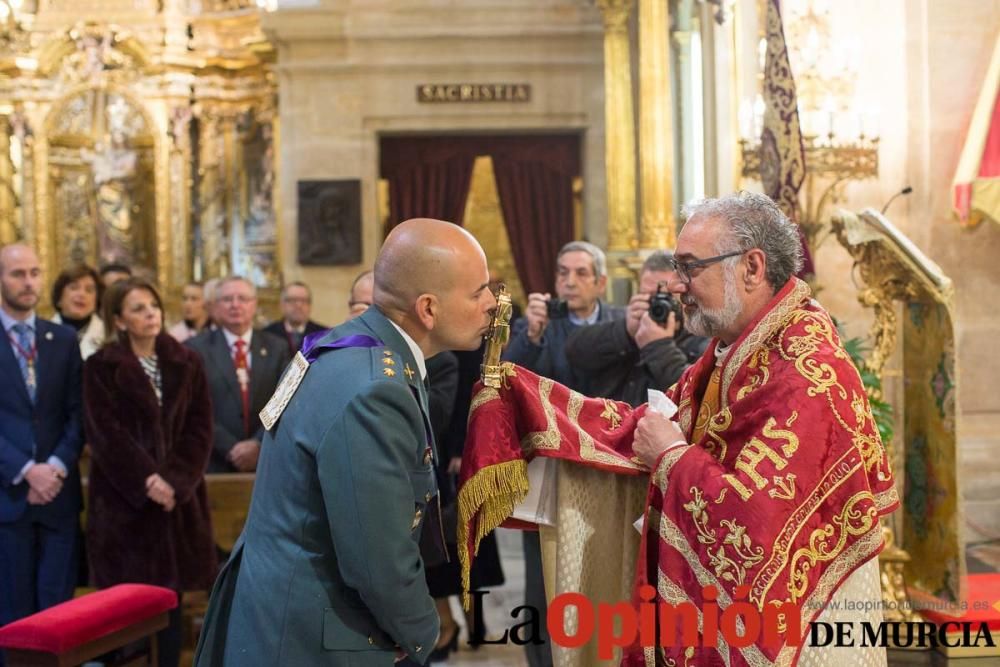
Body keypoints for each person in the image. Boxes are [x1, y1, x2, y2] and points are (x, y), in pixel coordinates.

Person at [194, 218, 496, 667]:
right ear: (428, 309)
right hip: (310, 634)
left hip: (282, 606)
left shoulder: (341, 346)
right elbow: (378, 561)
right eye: (478, 291)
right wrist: (423, 630)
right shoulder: (377, 388)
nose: (492, 303)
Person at [624, 192, 898, 665]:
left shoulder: (806, 372)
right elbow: (665, 418)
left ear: (751, 268)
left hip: (806, 629)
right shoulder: (736, 349)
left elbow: (757, 526)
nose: (677, 284)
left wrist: (671, 459)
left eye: (690, 267)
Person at [83, 278, 217, 667]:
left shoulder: (187, 361)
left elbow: (200, 427)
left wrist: (174, 481)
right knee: (125, 610)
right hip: (126, 504)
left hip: (178, 503)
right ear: (119, 320)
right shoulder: (101, 366)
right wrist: (147, 481)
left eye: (154, 306)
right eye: (139, 308)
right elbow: (105, 433)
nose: (150, 314)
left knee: (170, 604)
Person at [501, 240, 621, 667]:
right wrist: (529, 336)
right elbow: (505, 379)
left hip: (608, 468)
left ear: (601, 282)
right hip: (552, 469)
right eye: (562, 273)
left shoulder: (622, 324)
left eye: (581, 273)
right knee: (544, 577)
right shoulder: (539, 327)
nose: (569, 282)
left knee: (601, 563)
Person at [0, 244, 84, 658]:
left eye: (34, 272)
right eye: (17, 273)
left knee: (57, 612)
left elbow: (78, 413)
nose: (29, 281)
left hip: (57, 495)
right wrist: (24, 469)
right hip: (7, 495)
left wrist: (54, 466)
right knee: (11, 615)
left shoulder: (63, 339)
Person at [565, 250, 709, 406]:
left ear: (684, 293)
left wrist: (659, 346)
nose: (656, 304)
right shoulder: (627, 322)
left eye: (665, 296)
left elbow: (696, 394)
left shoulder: (703, 337)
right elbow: (574, 350)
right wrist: (625, 332)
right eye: (648, 295)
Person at [187, 276, 290, 473]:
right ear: (215, 307)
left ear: (254, 304)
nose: (235, 305)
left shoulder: (278, 348)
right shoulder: (194, 349)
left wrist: (258, 443)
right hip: (213, 462)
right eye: (227, 299)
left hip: (267, 460)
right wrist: (230, 448)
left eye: (243, 298)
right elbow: (192, 406)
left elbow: (284, 400)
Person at [51, 264, 105, 360]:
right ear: (59, 297)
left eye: (89, 290)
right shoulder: (41, 334)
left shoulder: (108, 336)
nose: (81, 294)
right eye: (74, 288)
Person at [263, 281, 325, 355]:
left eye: (303, 300)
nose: (299, 305)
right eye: (293, 300)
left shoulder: (323, 334)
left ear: (310, 306)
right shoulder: (267, 334)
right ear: (282, 304)